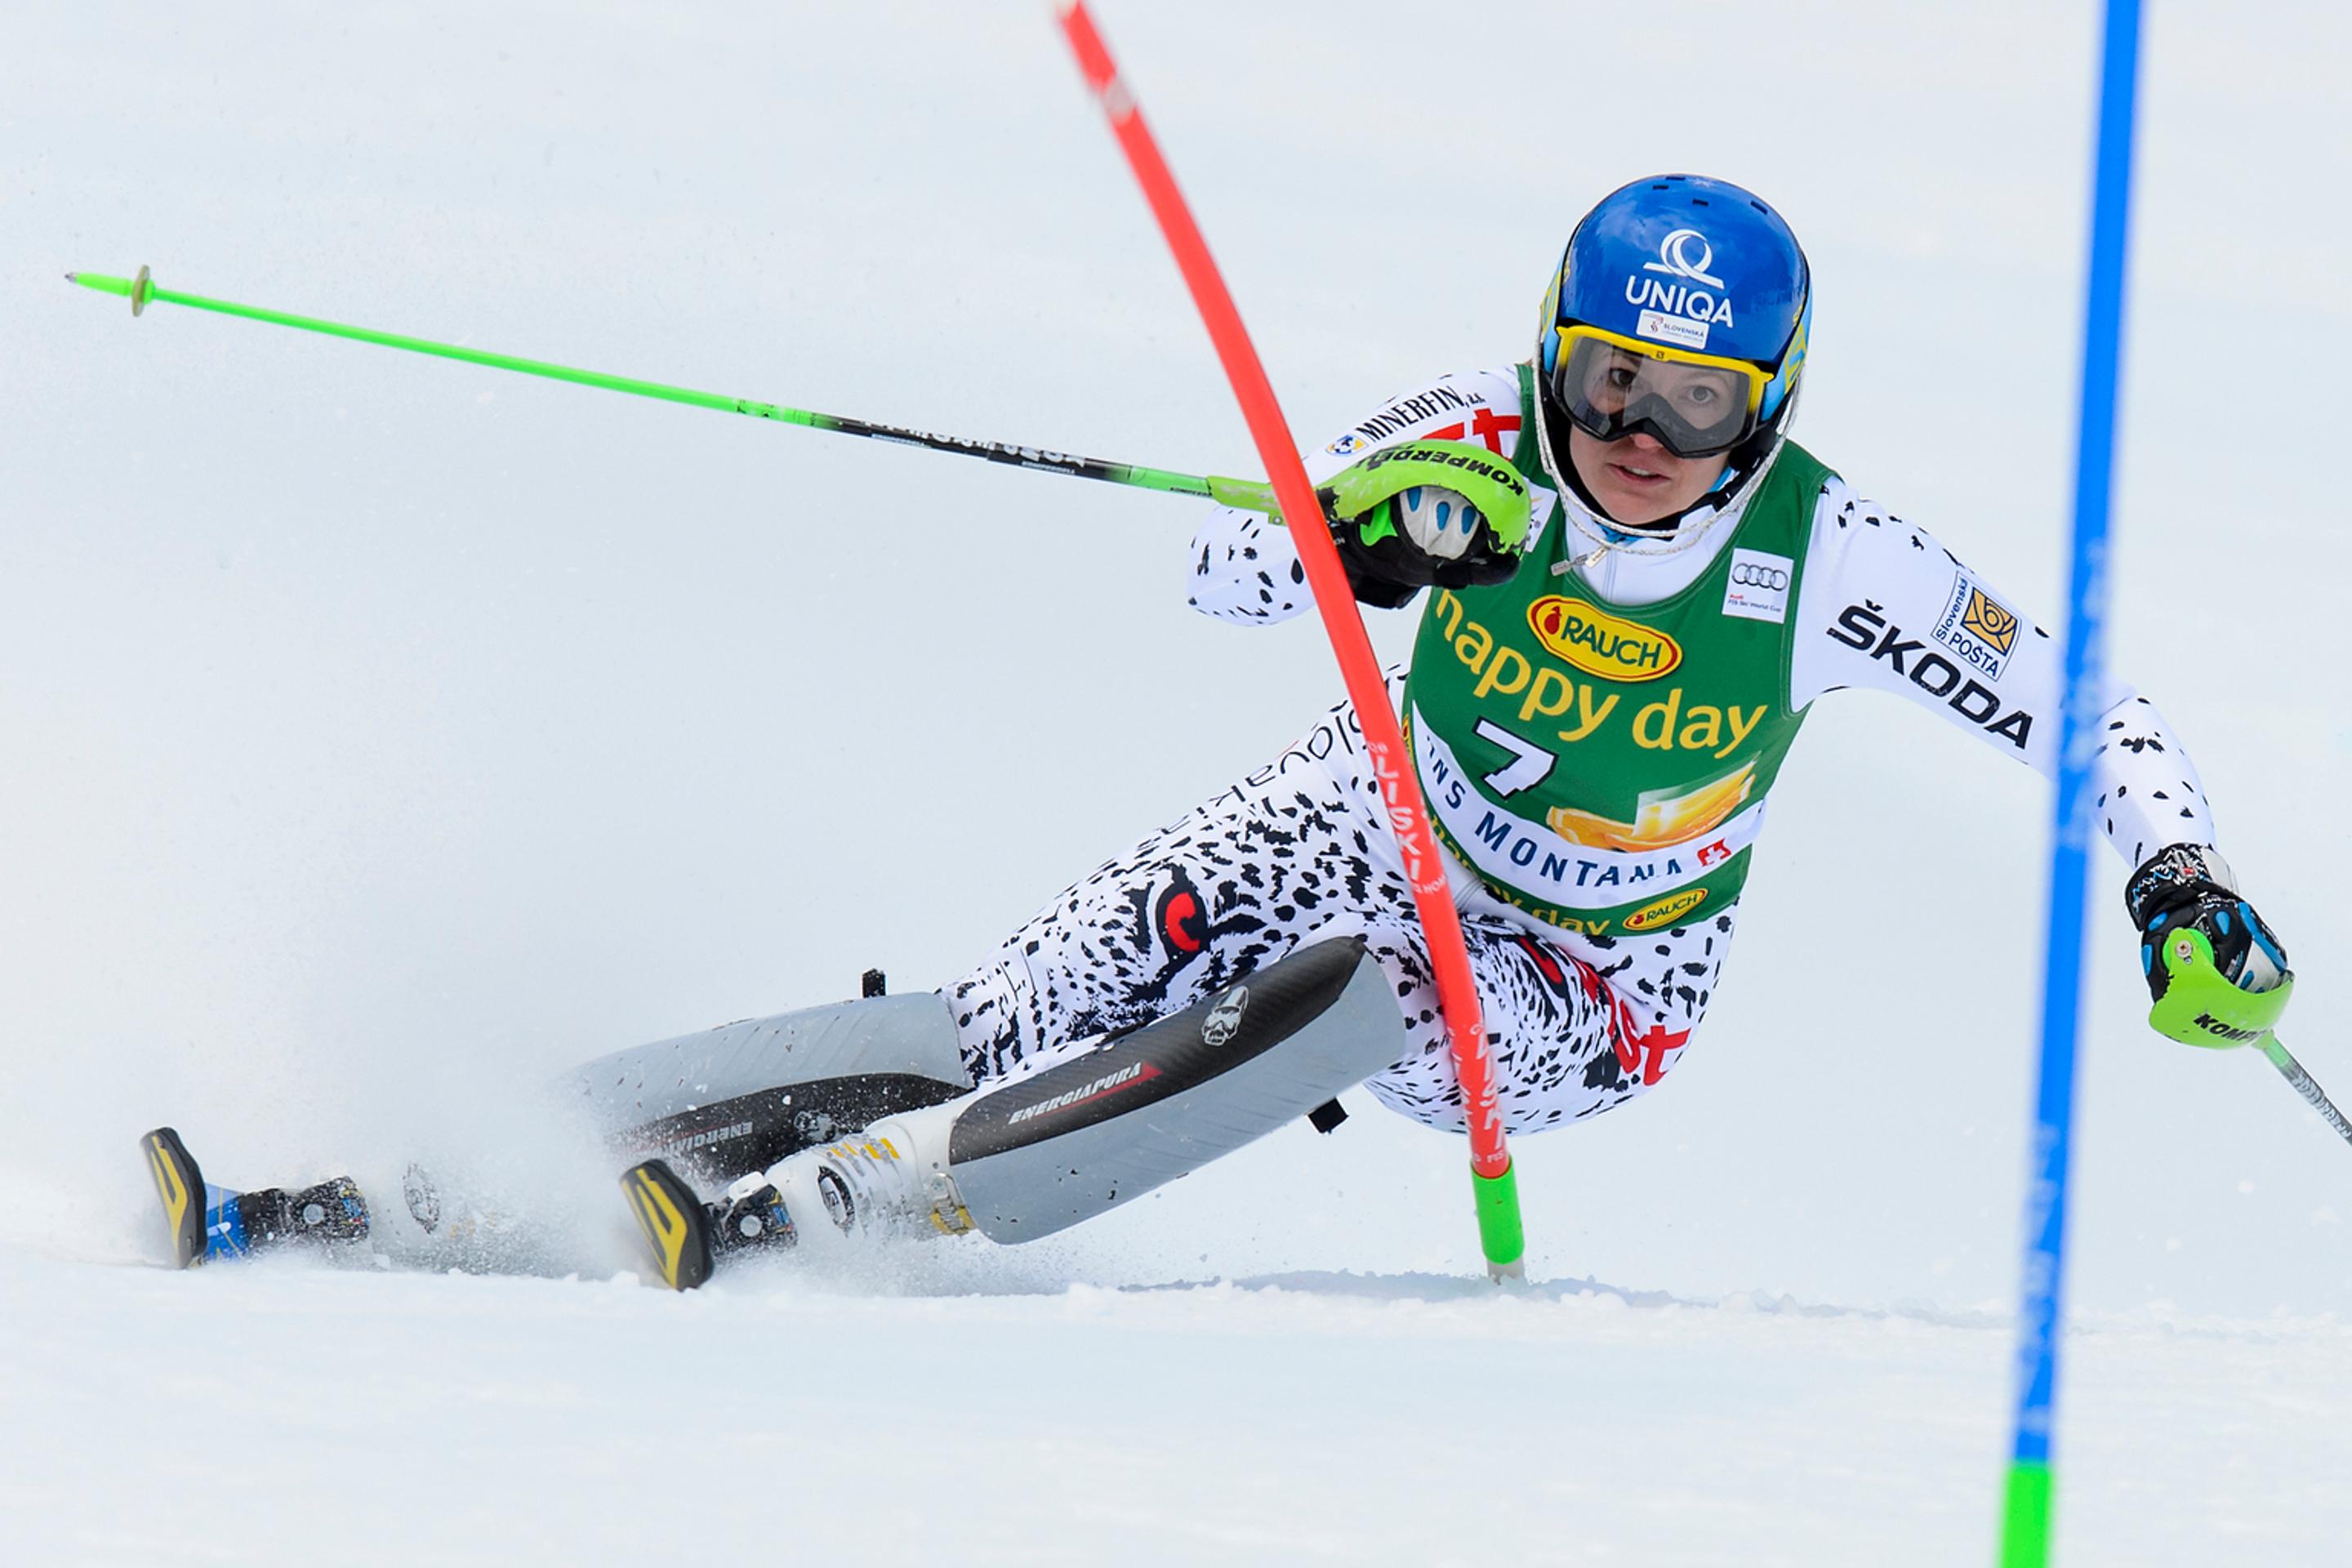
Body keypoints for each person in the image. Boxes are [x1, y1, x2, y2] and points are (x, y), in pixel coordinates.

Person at [149, 174, 2295, 1287]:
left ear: (1775, 407)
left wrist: (2181, 885)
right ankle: (455, 1176)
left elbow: (2089, 712)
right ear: (1555, 359)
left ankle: (872, 1210)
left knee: (1356, 992)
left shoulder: (1837, 562)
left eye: (1698, 405)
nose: (1636, 441)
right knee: (1029, 997)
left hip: (1601, 969)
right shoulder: (1475, 447)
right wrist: (1362, 540)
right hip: (1379, 799)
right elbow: (1223, 573)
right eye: (1608, 383)